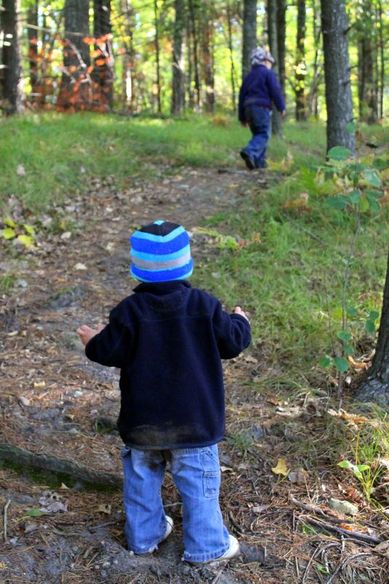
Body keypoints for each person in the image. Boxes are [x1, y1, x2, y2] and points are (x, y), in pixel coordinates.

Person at [77, 220, 251, 564]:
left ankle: (143, 537)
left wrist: (92, 340)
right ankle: (207, 546)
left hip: (143, 422)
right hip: (195, 422)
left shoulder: (129, 312)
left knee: (141, 480)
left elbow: (108, 351)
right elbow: (232, 343)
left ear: (138, 270)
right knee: (199, 485)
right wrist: (240, 320)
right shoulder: (204, 306)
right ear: (186, 264)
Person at [238, 47, 285, 170]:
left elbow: (241, 97)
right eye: (269, 62)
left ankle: (259, 164)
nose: (270, 65)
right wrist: (281, 106)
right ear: (263, 61)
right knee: (264, 135)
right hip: (261, 108)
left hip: (248, 109)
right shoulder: (267, 73)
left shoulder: (248, 77)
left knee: (258, 134)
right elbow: (275, 90)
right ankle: (250, 151)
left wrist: (242, 117)